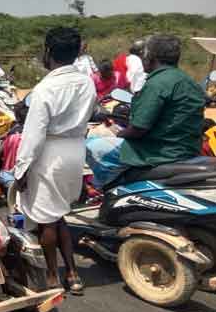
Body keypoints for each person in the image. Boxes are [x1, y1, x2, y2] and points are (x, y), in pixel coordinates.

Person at [14, 26, 97, 294]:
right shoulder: (86, 82)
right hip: (75, 150)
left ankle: (52, 274)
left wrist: (22, 168)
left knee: (46, 220)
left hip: (49, 153)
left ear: (48, 52)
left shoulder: (46, 88)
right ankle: (72, 273)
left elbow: (34, 134)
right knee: (59, 214)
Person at [87, 35, 205, 188]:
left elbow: (138, 129)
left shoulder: (157, 83)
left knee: (91, 145)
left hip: (158, 151)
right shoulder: (189, 81)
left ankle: (110, 188)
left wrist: (118, 133)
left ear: (151, 57)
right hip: (187, 148)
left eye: (143, 55)